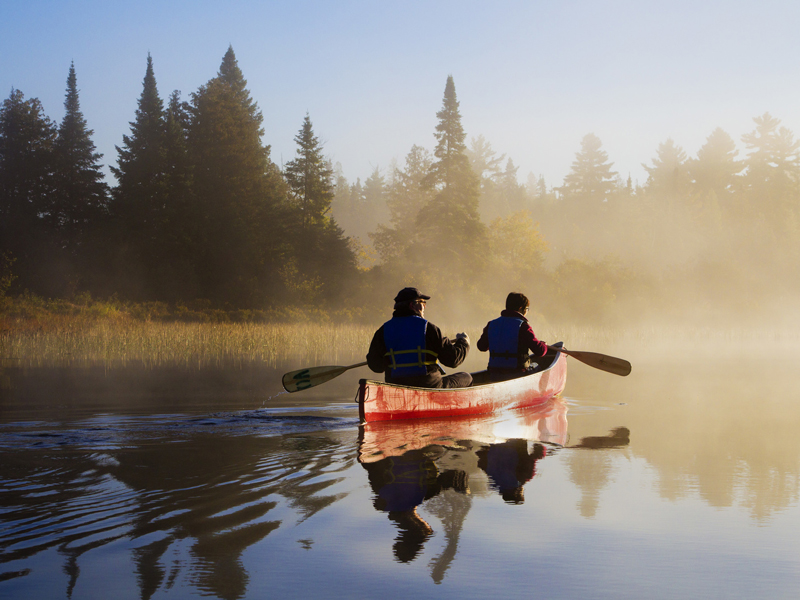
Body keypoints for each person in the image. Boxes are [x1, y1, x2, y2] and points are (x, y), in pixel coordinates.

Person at [367, 287, 472, 388]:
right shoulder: (429, 328)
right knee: (467, 377)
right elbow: (452, 360)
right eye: (422, 302)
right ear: (412, 305)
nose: (424, 306)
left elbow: (375, 366)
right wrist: (463, 342)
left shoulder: (383, 331)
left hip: (396, 385)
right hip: (429, 385)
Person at [477, 292, 549, 380]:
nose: (527, 311)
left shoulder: (491, 324)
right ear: (520, 308)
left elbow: (481, 346)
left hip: (494, 375)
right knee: (537, 366)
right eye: (527, 309)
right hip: (517, 374)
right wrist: (543, 345)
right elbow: (540, 351)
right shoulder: (523, 326)